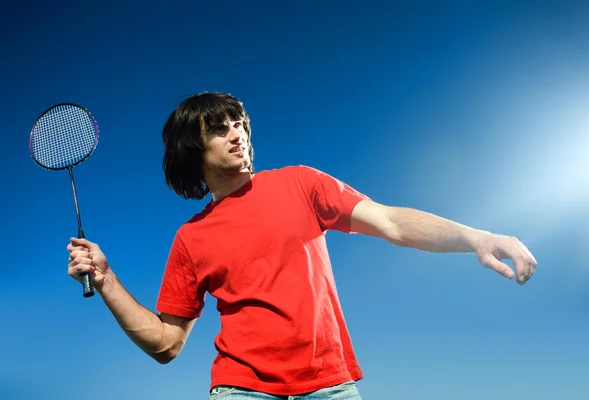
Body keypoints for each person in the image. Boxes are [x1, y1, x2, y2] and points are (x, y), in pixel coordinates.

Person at [67, 92, 537, 400]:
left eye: (241, 123)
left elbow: (392, 222)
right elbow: (166, 343)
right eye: (221, 127)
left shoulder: (301, 184)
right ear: (195, 148)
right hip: (241, 390)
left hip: (330, 385)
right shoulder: (190, 238)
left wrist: (476, 237)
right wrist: (105, 280)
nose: (239, 133)